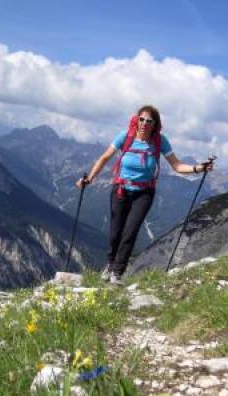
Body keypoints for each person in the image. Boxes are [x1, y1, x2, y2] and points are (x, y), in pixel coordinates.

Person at [76, 105, 214, 284]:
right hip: (120, 190)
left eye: (149, 121)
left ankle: (117, 272)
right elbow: (104, 158)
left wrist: (199, 168)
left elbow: (177, 166)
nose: (144, 124)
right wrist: (89, 179)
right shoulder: (125, 137)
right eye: (141, 119)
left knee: (130, 232)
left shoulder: (160, 141)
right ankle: (110, 264)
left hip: (144, 193)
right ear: (136, 119)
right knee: (116, 233)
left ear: (155, 124)